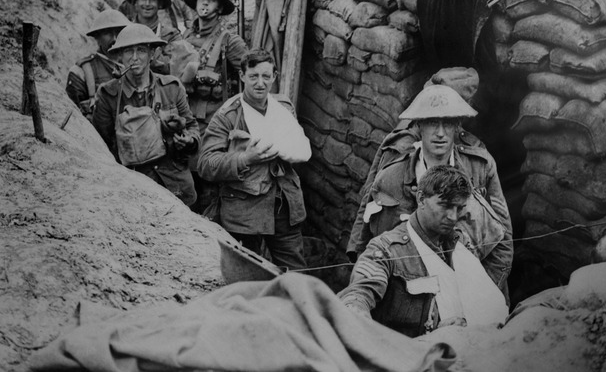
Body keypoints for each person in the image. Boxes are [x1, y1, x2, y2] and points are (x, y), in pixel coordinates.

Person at [347, 83, 514, 299]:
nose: (441, 133)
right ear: (419, 126)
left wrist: (484, 292)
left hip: (471, 287)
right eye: (433, 123)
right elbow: (367, 242)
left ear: (457, 127)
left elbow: (504, 238)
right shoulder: (391, 176)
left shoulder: (480, 167)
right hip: (410, 293)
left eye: (448, 123)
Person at [339, 166, 509, 337]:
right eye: (445, 205)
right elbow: (359, 294)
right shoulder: (385, 250)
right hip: (408, 355)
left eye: (459, 208)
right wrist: (355, 312)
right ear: (421, 199)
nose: (453, 216)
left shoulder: (460, 243)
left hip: (463, 349)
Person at [197, 49, 311, 270]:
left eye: (266, 76)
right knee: (247, 274)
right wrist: (245, 158)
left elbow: (297, 148)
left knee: (298, 275)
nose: (260, 83)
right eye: (253, 76)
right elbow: (205, 164)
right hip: (244, 212)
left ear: (274, 77)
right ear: (242, 77)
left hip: (284, 207)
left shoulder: (283, 109)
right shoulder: (229, 115)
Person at [93, 24, 199, 207]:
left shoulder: (171, 88)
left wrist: (188, 140)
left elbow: (192, 126)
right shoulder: (108, 95)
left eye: (141, 50)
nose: (135, 58)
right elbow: (101, 146)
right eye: (128, 51)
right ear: (120, 56)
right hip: (133, 187)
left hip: (175, 183)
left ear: (152, 54)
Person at [182, 0, 248, 134]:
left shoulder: (230, 41)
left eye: (211, 0)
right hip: (186, 113)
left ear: (220, 8)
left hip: (215, 119)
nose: (205, 2)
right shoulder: (186, 36)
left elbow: (249, 74)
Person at [65, 9, 130, 121]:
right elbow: (74, 119)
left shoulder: (135, 67)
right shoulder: (82, 72)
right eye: (107, 33)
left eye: (119, 32)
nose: (114, 39)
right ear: (97, 37)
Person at [123, 0, 183, 76]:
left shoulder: (171, 35)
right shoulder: (124, 33)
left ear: (159, 4)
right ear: (135, 3)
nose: (147, 3)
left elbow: (176, 66)